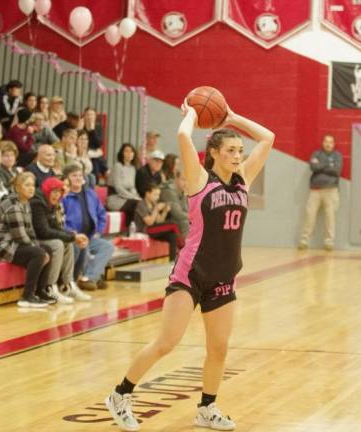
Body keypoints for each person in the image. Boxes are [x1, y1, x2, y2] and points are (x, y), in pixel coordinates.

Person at [105, 101, 274, 431]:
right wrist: (193, 112)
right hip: (190, 274)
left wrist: (232, 117)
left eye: (240, 150)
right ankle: (120, 394)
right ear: (213, 153)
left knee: (219, 349)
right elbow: (184, 135)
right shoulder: (199, 180)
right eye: (231, 150)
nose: (239, 155)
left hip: (224, 275)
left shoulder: (243, 179)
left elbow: (268, 137)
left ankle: (206, 408)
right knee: (166, 343)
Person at [0, 172, 54, 308]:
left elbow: (30, 232)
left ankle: (40, 291)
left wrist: (40, 247)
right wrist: (39, 250)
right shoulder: (13, 206)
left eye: (32, 185)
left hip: (12, 244)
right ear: (17, 188)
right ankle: (27, 296)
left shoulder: (25, 203)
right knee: (39, 253)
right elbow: (20, 236)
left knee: (47, 249)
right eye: (27, 185)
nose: (31, 188)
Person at [30, 176, 92, 303]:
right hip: (33, 239)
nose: (57, 195)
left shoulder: (50, 202)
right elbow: (43, 231)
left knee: (68, 243)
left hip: (41, 237)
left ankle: (67, 285)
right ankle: (50, 287)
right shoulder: (37, 203)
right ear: (47, 190)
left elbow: (55, 227)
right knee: (58, 244)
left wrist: (73, 237)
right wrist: (73, 236)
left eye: (59, 192)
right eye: (54, 191)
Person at [62, 163, 114, 291]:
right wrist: (72, 234)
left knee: (107, 246)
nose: (78, 178)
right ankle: (91, 277)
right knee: (81, 247)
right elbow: (61, 221)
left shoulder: (91, 194)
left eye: (80, 175)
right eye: (74, 176)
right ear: (67, 178)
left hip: (90, 236)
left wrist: (98, 231)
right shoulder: (64, 196)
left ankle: (89, 277)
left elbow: (102, 214)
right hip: (73, 237)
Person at [298, 134, 342, 251]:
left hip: (331, 191)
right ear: (323, 143)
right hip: (315, 191)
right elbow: (313, 166)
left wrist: (321, 165)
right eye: (326, 142)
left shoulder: (337, 156)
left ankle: (329, 243)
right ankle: (304, 240)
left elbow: (337, 170)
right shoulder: (316, 154)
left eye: (330, 142)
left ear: (333, 144)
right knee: (309, 216)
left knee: (330, 218)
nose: (328, 144)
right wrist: (328, 166)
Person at [134, 182, 179, 262]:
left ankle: (172, 262)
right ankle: (184, 246)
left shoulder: (154, 204)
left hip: (154, 230)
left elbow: (159, 221)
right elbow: (149, 222)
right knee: (173, 224)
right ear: (147, 193)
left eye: (158, 195)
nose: (157, 198)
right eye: (155, 195)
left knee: (172, 235)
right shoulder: (141, 204)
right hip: (146, 230)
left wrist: (165, 211)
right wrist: (156, 209)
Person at [107, 143, 141, 223]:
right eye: (126, 151)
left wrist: (136, 197)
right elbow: (119, 188)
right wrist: (133, 198)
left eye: (131, 151)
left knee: (141, 203)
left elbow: (133, 187)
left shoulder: (133, 168)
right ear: (122, 153)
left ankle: (133, 228)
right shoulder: (118, 166)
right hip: (116, 198)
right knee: (136, 204)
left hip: (127, 198)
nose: (129, 154)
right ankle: (132, 228)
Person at [160, 170, 189, 240]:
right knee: (186, 223)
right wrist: (193, 217)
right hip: (165, 220)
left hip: (175, 219)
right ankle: (187, 248)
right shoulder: (168, 191)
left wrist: (185, 195)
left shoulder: (181, 190)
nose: (186, 183)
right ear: (176, 178)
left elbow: (186, 210)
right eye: (183, 180)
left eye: (187, 180)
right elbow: (177, 214)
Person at [82, 107, 107, 182]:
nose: (89, 117)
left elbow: (99, 143)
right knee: (97, 160)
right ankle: (105, 171)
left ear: (95, 116)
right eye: (88, 114)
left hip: (95, 154)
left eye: (92, 115)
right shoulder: (81, 127)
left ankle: (99, 179)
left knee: (96, 162)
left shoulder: (98, 126)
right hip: (85, 153)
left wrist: (92, 130)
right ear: (84, 116)